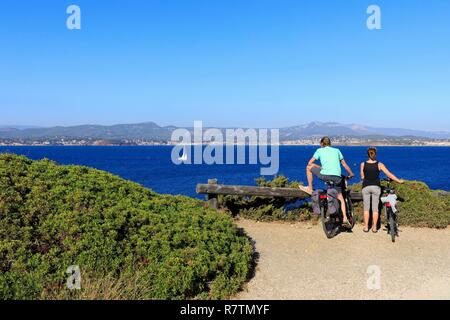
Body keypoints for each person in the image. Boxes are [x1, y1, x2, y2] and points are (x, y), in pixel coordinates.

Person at [300, 137, 355, 225]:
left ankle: (310, 188)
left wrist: (320, 167)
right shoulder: (337, 150)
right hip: (337, 178)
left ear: (322, 144)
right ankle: (345, 218)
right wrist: (351, 173)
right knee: (340, 197)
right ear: (330, 143)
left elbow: (310, 163)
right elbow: (344, 164)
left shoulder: (319, 150)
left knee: (308, 168)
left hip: (324, 175)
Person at [361, 147, 404, 233]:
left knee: (366, 208)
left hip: (366, 187)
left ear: (368, 154)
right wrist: (399, 181)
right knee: (375, 209)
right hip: (376, 187)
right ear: (375, 154)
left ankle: (366, 227)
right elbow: (389, 174)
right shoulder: (379, 164)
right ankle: (374, 228)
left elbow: (362, 177)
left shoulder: (363, 164)